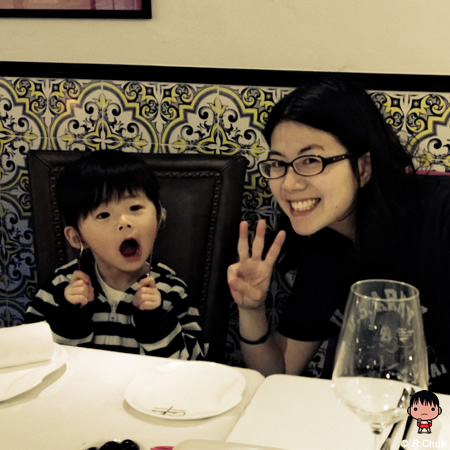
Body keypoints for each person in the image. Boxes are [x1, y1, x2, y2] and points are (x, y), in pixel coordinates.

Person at [227, 75, 450, 394]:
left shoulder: (440, 216)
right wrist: (251, 309)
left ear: (363, 167)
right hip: (366, 410)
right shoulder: (324, 244)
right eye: (278, 164)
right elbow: (278, 373)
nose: (289, 184)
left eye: (310, 161)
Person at [26, 151, 208, 360]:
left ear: (158, 218)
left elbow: (196, 362)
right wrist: (70, 318)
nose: (124, 222)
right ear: (77, 238)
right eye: (103, 214)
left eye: (135, 207)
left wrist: (155, 323)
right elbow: (32, 356)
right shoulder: (59, 287)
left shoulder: (171, 290)